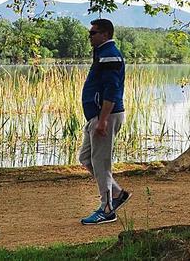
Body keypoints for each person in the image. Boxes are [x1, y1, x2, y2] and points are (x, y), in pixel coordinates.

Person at [78, 18, 130, 225]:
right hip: (97, 117)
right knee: (86, 158)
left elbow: (112, 90)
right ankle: (116, 193)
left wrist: (103, 120)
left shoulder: (110, 56)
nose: (90, 36)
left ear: (105, 34)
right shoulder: (103, 54)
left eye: (93, 33)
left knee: (101, 162)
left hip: (104, 117)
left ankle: (107, 209)